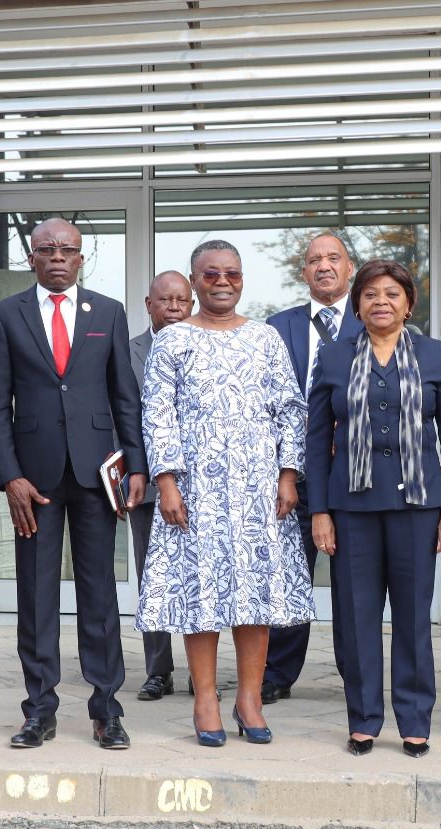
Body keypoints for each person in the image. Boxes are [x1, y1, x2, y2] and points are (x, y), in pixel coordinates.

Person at [137, 239, 312, 747]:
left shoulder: (265, 338)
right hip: (196, 493)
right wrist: (165, 480)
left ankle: (249, 698)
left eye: (230, 274)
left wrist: (287, 474)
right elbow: (158, 414)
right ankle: (207, 698)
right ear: (193, 282)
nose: (221, 282)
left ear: (242, 279)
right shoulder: (172, 341)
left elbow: (289, 409)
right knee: (202, 596)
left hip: (260, 489)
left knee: (255, 598)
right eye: (210, 274)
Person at [0, 218, 148, 751]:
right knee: (35, 594)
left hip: (97, 475)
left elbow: (126, 397)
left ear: (82, 258)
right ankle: (40, 709)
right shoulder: (5, 315)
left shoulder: (109, 313)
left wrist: (136, 466)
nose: (57, 257)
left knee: (100, 592)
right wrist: (9, 476)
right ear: (32, 258)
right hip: (35, 478)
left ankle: (106, 707)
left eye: (67, 250)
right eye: (47, 249)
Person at [308, 260, 441, 757]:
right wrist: (319, 510)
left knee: (414, 620)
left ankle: (415, 720)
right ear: (357, 304)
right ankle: (364, 719)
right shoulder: (333, 358)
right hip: (350, 508)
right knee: (356, 620)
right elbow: (315, 440)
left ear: (409, 303)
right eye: (371, 293)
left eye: (392, 293)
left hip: (417, 506)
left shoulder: (435, 355)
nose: (382, 301)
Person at [261, 231, 363, 704]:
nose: (324, 266)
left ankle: (355, 674)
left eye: (333, 258)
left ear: (349, 268)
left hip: (353, 477)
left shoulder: (372, 324)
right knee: (287, 576)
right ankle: (276, 673)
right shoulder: (275, 327)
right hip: (291, 476)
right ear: (303, 273)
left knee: (352, 583)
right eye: (314, 260)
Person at [130, 270, 190, 701]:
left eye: (181, 301)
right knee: (153, 578)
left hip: (204, 484)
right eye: (164, 300)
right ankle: (158, 670)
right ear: (149, 305)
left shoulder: (207, 345)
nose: (173, 308)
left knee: (201, 577)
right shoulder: (128, 351)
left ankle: (204, 673)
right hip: (146, 484)